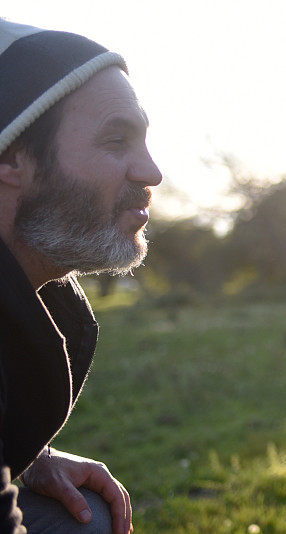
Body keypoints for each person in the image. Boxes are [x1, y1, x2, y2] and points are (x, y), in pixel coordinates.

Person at [0, 19, 161, 534]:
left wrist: (25, 457)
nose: (151, 172)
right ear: (11, 158)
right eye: (117, 141)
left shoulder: (38, 296)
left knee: (83, 520)